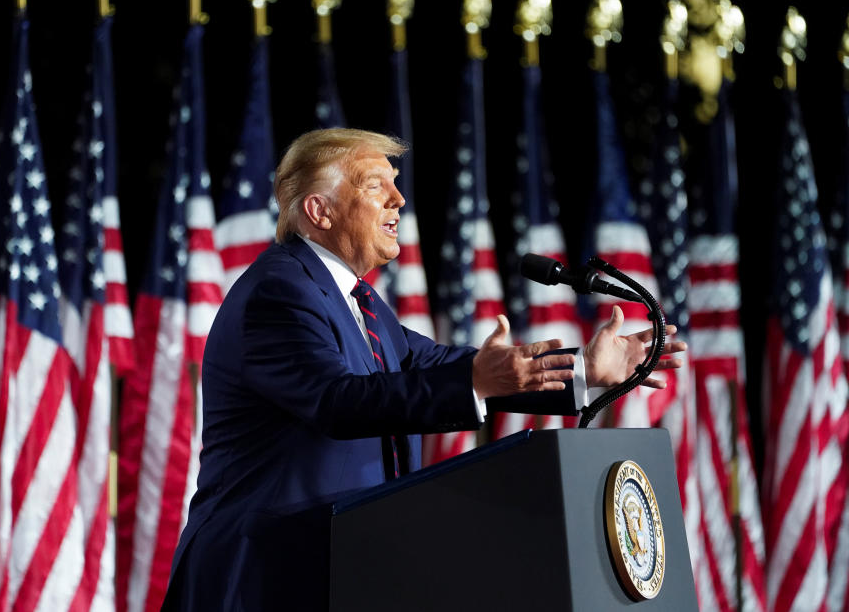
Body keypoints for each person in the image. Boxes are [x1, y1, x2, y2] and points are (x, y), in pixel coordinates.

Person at [162, 128, 686, 611]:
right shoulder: (279, 292)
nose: (399, 201)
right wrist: (475, 381)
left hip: (342, 567)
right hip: (265, 575)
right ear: (319, 211)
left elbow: (440, 365)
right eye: (376, 187)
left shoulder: (358, 302)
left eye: (396, 185)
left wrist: (582, 370)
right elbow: (337, 400)